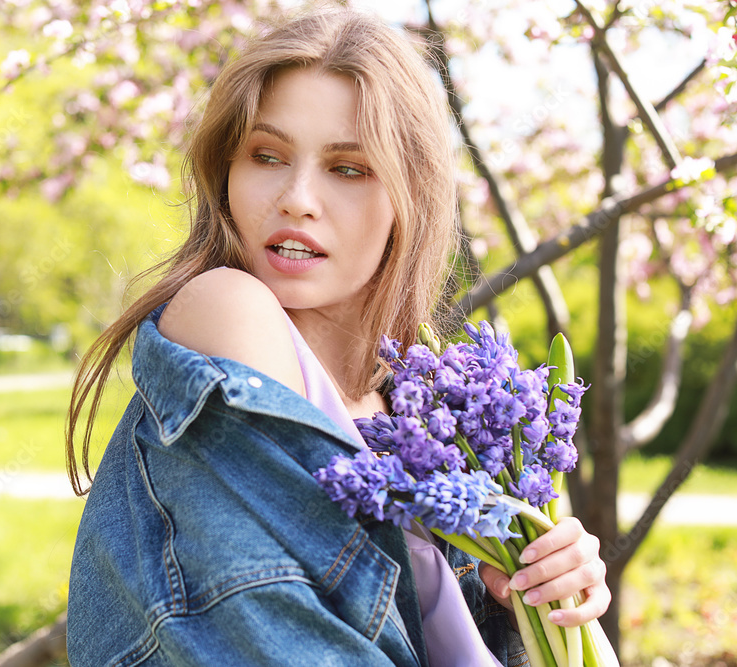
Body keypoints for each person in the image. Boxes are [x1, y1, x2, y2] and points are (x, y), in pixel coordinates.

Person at [65, 8, 611, 666]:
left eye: (348, 168)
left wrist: (537, 599)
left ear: (409, 197)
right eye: (267, 156)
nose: (296, 198)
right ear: (226, 174)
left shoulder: (427, 415)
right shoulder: (228, 311)